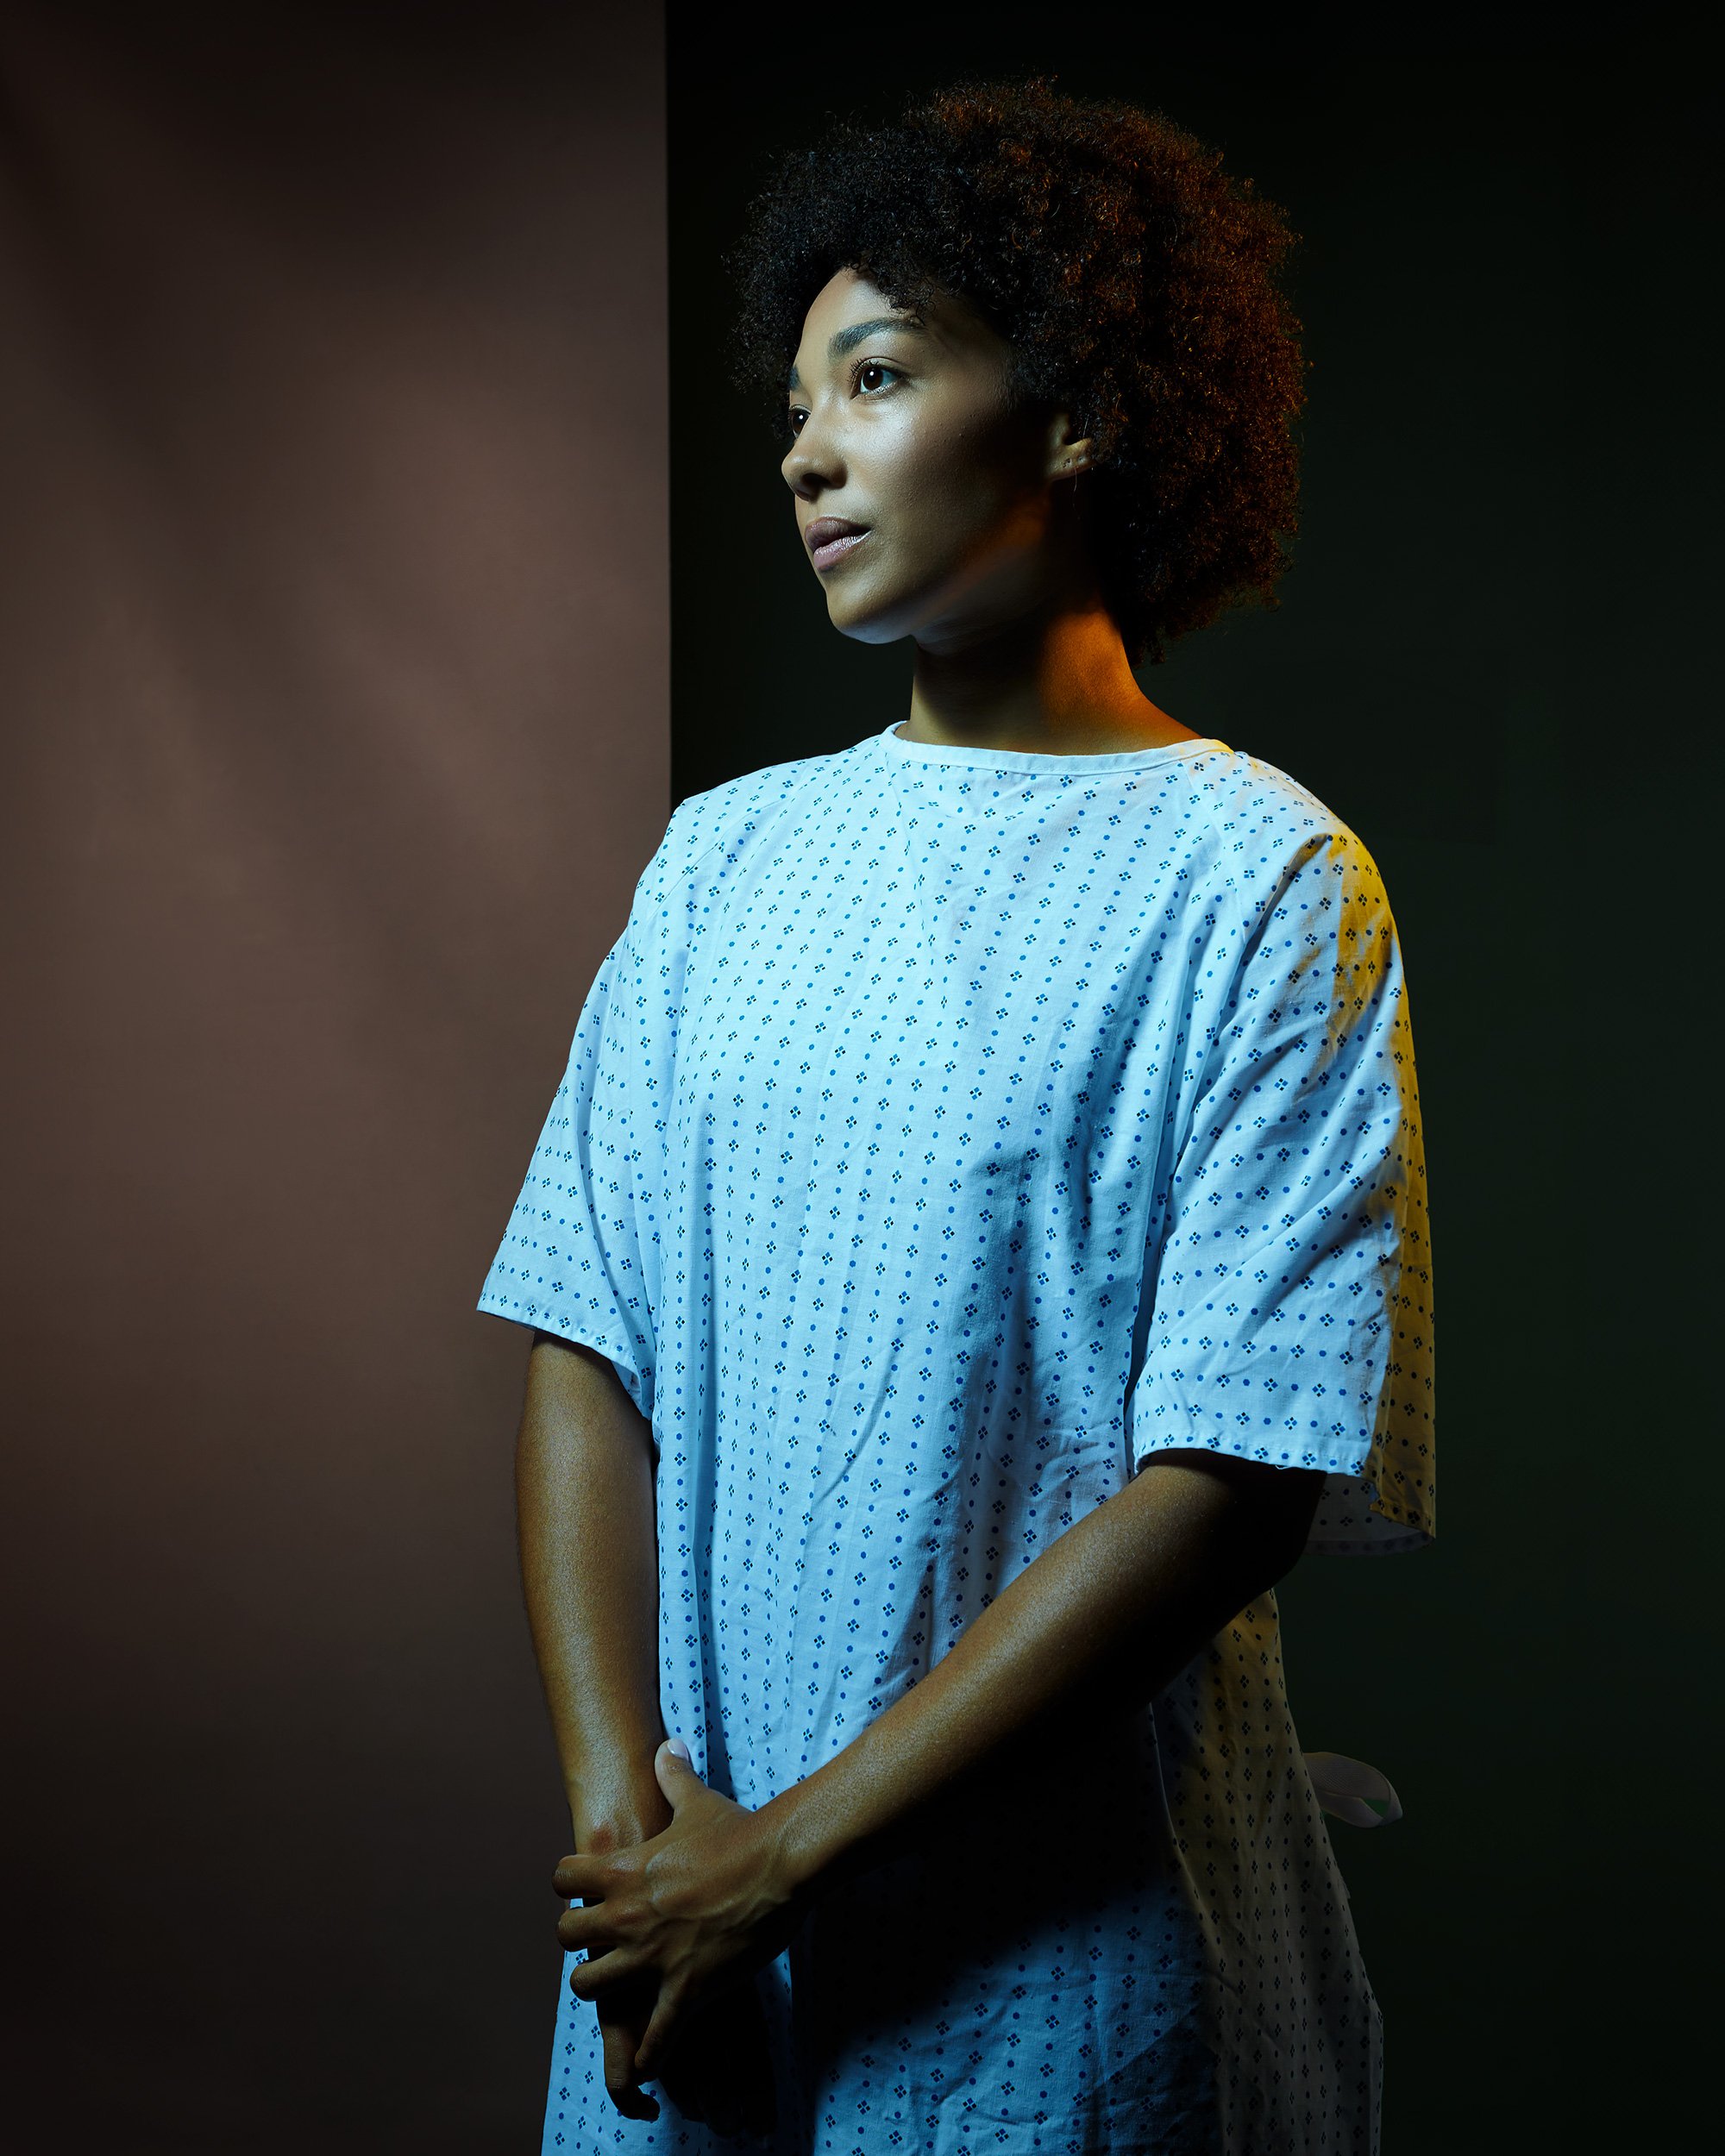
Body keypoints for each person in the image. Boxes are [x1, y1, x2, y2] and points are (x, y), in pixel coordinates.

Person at [479, 73, 1435, 2155]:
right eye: (798, 405)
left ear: (1078, 408)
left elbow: (1232, 1473)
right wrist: (632, 1853)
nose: (810, 449)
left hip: (1060, 1971)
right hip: (686, 1957)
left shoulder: (1262, 879)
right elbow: (587, 1341)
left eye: (881, 375)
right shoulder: (720, 859)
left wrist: (784, 1862)